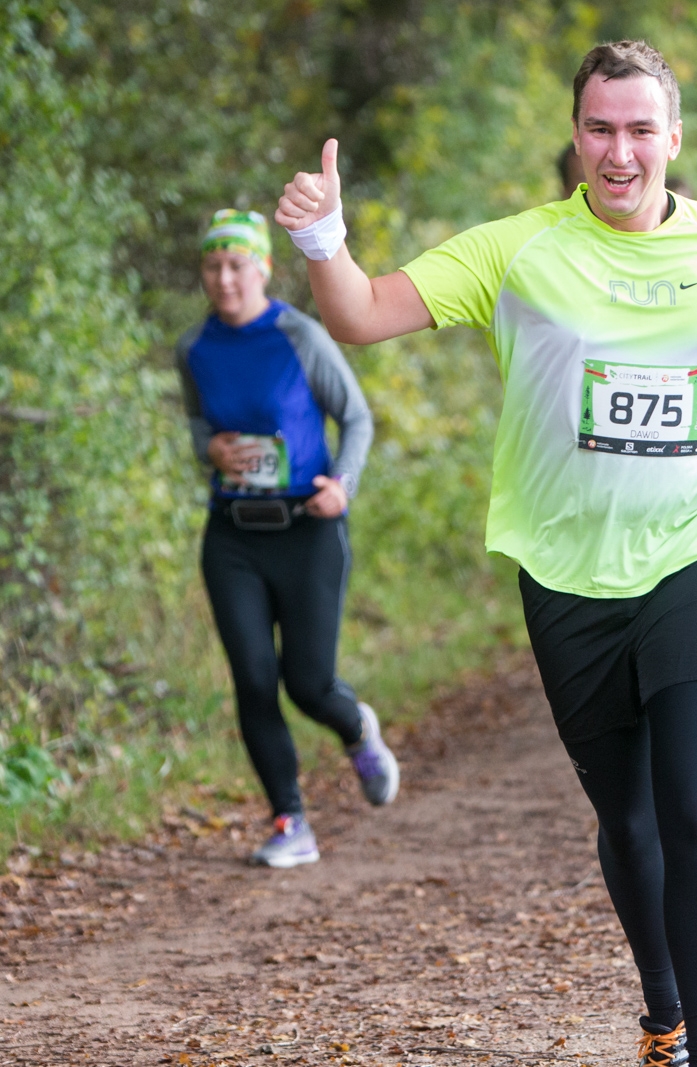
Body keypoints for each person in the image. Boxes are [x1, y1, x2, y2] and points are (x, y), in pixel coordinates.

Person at [274, 40, 697, 1067]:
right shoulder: (517, 249)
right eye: (600, 129)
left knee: (695, 805)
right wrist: (324, 237)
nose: (620, 152)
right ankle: (664, 1004)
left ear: (673, 139)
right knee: (628, 815)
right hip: (566, 568)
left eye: (640, 129)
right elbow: (362, 310)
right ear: (574, 139)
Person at [175, 209, 399, 870]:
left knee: (307, 682)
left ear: (262, 268)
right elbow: (195, 425)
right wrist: (209, 447)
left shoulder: (299, 334)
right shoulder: (193, 347)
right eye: (213, 266)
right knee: (252, 678)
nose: (224, 278)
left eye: (237, 264)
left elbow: (356, 416)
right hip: (233, 534)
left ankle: (357, 727)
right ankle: (289, 820)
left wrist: (344, 484)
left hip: (307, 528)